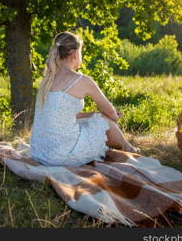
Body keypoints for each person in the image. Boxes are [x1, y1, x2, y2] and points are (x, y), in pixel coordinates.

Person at [29, 31, 139, 167]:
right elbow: (112, 115)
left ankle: (128, 148)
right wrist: (109, 115)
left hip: (40, 153)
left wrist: (94, 114)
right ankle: (130, 149)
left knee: (98, 118)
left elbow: (62, 117)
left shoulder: (47, 80)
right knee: (106, 121)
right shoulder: (82, 80)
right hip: (63, 156)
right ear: (75, 53)